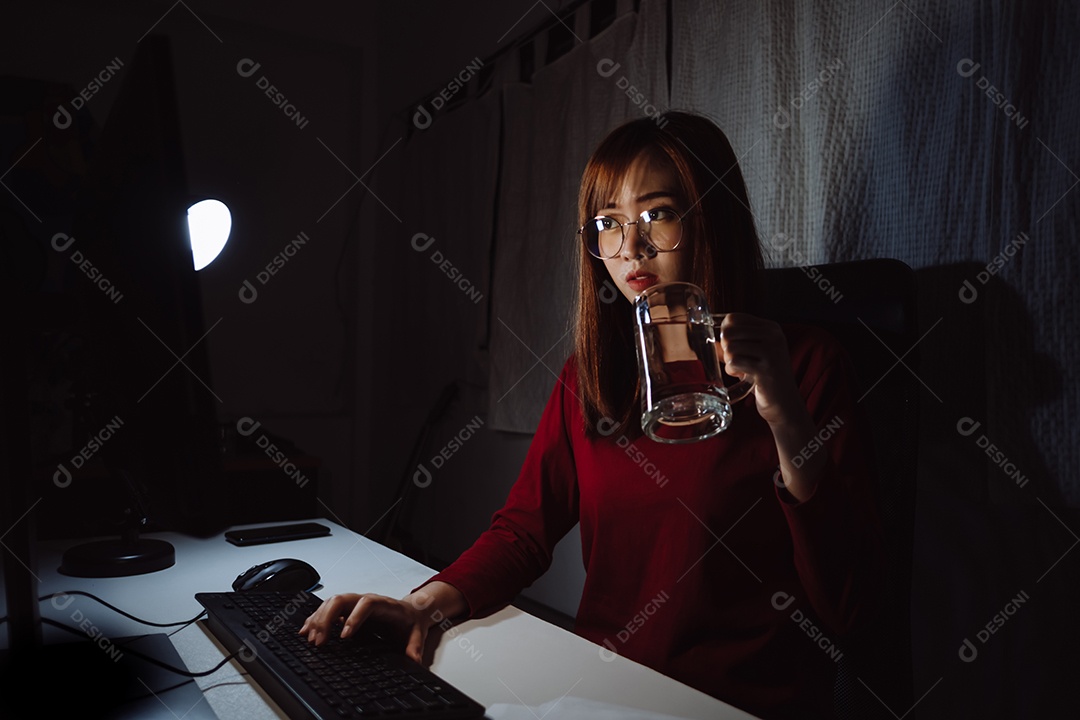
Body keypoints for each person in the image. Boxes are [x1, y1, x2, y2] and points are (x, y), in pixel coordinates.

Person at [301, 111, 883, 720]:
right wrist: (424, 605)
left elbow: (850, 608)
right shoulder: (591, 377)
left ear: (712, 217)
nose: (630, 248)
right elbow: (523, 531)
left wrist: (786, 417)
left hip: (737, 705)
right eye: (609, 224)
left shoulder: (807, 365)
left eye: (658, 213)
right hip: (603, 692)